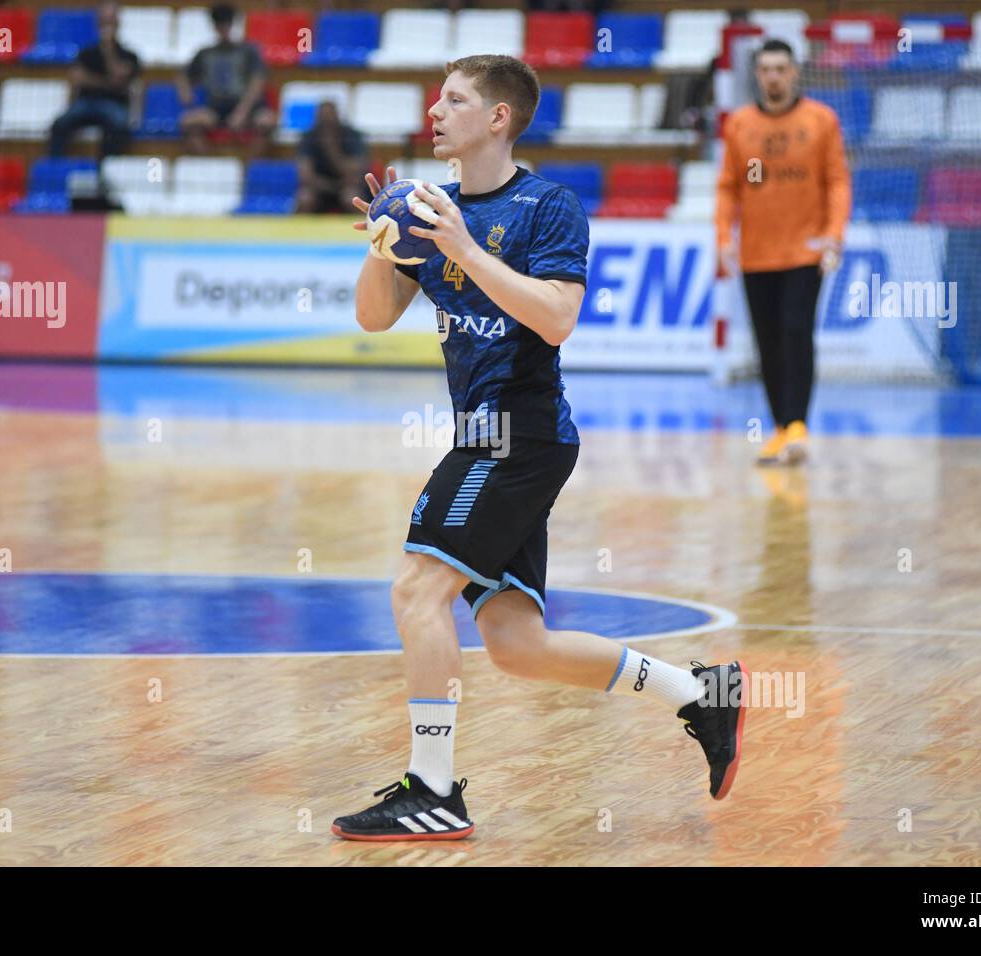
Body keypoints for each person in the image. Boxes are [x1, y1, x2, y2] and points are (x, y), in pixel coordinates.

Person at [332, 54, 746, 841]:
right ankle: (698, 694)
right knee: (518, 646)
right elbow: (372, 319)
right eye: (436, 97)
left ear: (498, 118)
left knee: (417, 594)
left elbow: (556, 319)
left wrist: (462, 249)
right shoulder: (433, 211)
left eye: (454, 99)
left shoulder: (546, 207)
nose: (435, 111)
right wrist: (383, 244)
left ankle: (434, 791)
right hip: (483, 435)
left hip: (516, 437)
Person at [716, 38, 851, 466]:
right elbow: (727, 187)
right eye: (766, 68)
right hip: (756, 253)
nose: (773, 76)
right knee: (767, 342)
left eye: (781, 68)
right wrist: (723, 237)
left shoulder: (821, 120)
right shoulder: (739, 125)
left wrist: (833, 233)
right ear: (757, 74)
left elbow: (837, 182)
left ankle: (797, 425)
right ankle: (779, 429)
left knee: (796, 332)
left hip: (805, 250)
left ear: (795, 73)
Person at [178, 4, 275, 154]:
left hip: (249, 107)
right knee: (188, 122)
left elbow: (257, 82)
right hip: (217, 107)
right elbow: (184, 75)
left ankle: (252, 167)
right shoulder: (205, 53)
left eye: (226, 24)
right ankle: (210, 165)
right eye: (219, 25)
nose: (223, 30)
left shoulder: (249, 51)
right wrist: (185, 91)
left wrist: (242, 112)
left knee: (266, 122)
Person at [48, 1, 139, 159]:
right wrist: (108, 83)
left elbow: (118, 80)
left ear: (118, 23)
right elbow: (77, 79)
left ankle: (105, 170)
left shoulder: (129, 55)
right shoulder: (86, 53)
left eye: (110, 21)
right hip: (86, 103)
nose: (106, 26)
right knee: (59, 125)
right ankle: (56, 168)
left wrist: (108, 51)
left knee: (119, 127)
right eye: (104, 21)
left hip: (114, 104)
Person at [295, 101, 368, 213]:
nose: (327, 120)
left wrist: (332, 150)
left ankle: (360, 228)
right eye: (323, 116)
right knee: (305, 198)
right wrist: (329, 186)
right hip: (319, 187)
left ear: (337, 115)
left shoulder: (352, 136)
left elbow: (354, 173)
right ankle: (298, 230)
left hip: (347, 186)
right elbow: (306, 175)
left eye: (330, 115)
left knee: (352, 199)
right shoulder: (309, 137)